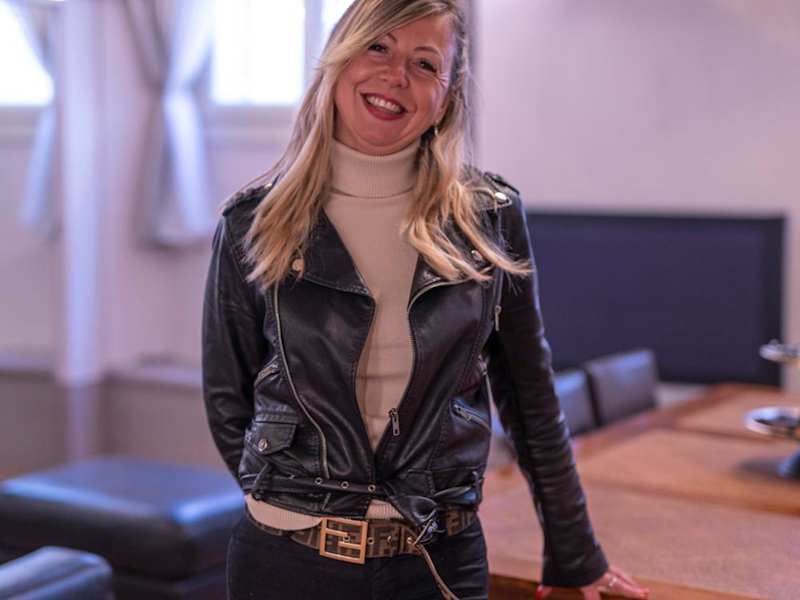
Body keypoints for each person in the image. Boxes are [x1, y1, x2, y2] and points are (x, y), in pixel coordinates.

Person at [201, 1, 650, 599]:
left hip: (439, 559)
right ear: (339, 59)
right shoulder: (252, 222)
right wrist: (294, 507)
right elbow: (228, 399)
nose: (395, 77)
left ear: (446, 96)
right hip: (284, 565)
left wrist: (574, 553)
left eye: (424, 64)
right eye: (377, 47)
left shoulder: (489, 219)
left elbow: (530, 395)